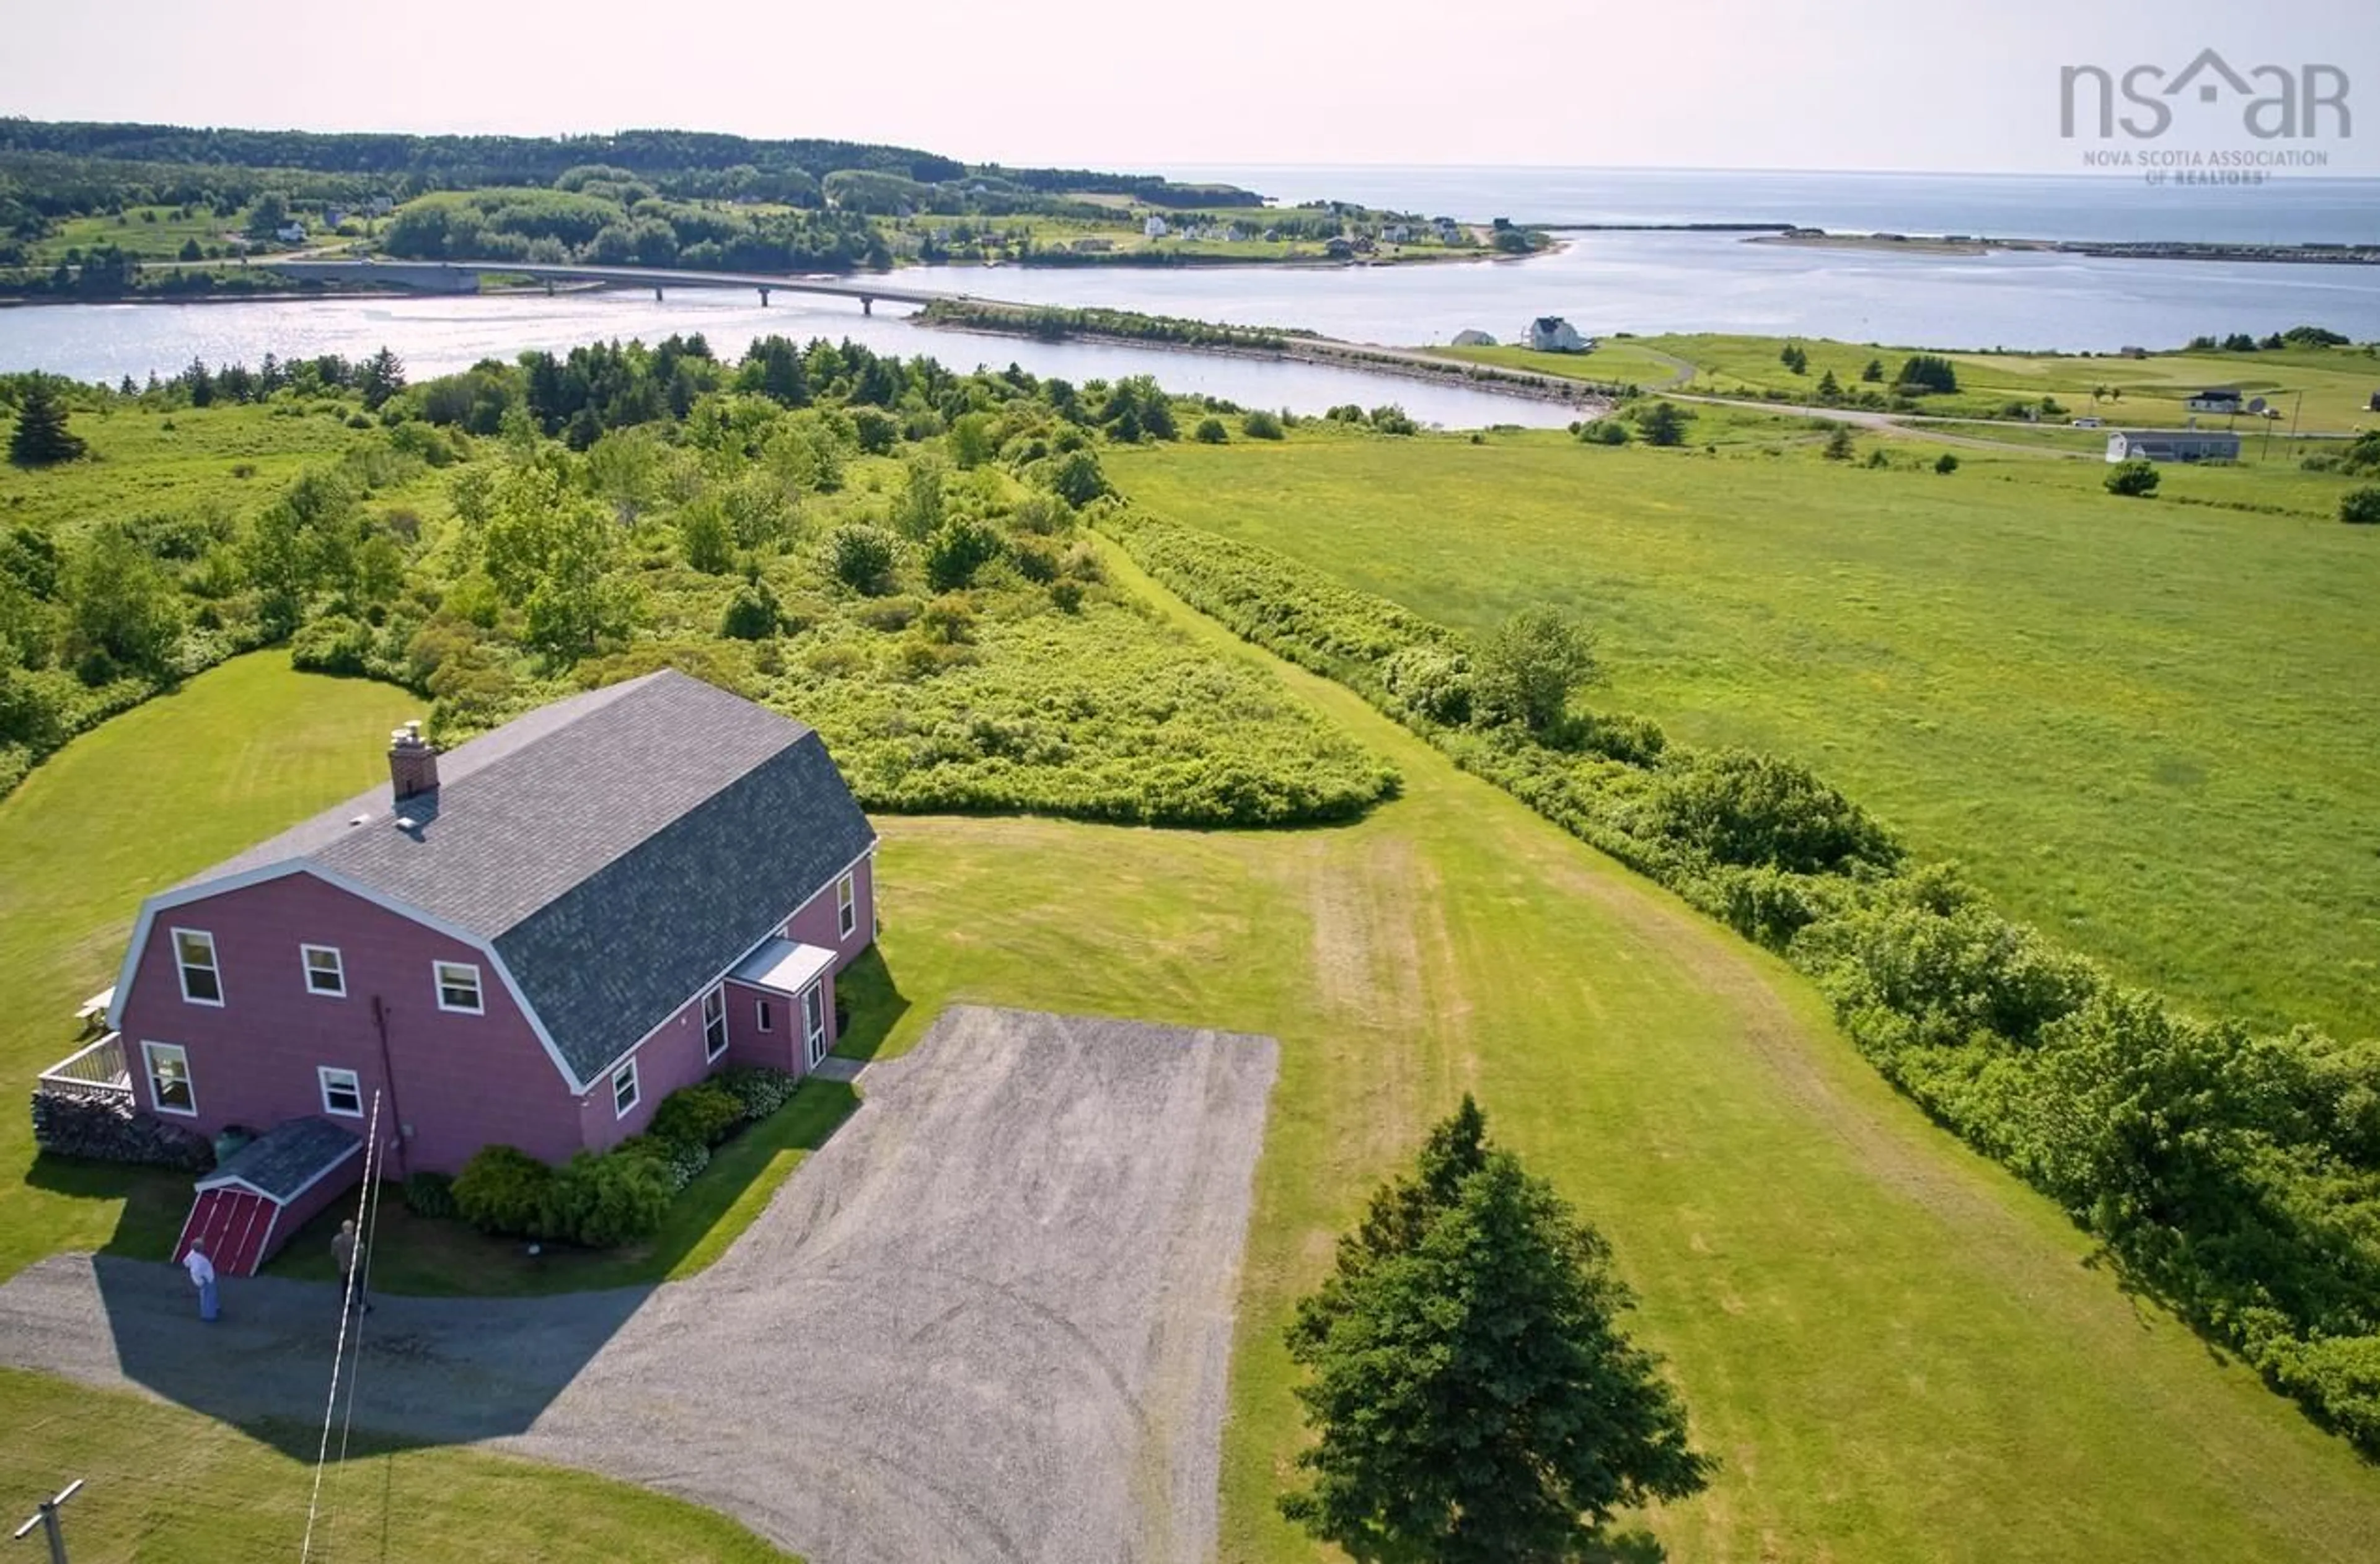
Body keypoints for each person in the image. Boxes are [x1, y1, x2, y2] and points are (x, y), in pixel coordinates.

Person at [330, 1218, 370, 1315]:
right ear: (352, 1228)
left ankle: (347, 1305)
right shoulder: (355, 1240)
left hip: (343, 1267)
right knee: (359, 1286)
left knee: (345, 1286)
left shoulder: (336, 1240)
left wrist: (341, 1259)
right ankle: (362, 1305)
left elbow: (334, 1253)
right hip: (356, 1268)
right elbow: (361, 1254)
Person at [184, 1242, 218, 1322]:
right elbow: (195, 1272)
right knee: (207, 1297)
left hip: (207, 1277)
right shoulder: (199, 1260)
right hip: (207, 1279)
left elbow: (186, 1262)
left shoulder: (192, 1254)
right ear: (201, 1249)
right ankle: (209, 1316)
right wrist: (201, 1282)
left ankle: (214, 1308)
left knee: (211, 1294)